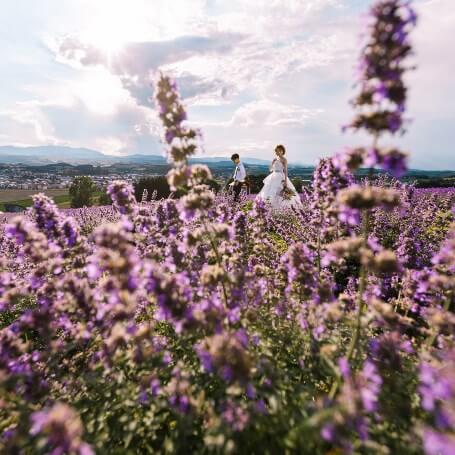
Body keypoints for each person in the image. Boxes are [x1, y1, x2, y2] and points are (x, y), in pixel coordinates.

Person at [256, 145, 302, 210]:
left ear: (282, 151)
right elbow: (270, 170)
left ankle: (283, 209)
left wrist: (285, 181)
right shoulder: (275, 159)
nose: (278, 152)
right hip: (273, 177)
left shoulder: (284, 160)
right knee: (271, 192)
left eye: (279, 150)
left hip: (281, 177)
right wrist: (272, 163)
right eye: (277, 151)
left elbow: (285, 171)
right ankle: (271, 208)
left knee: (282, 193)